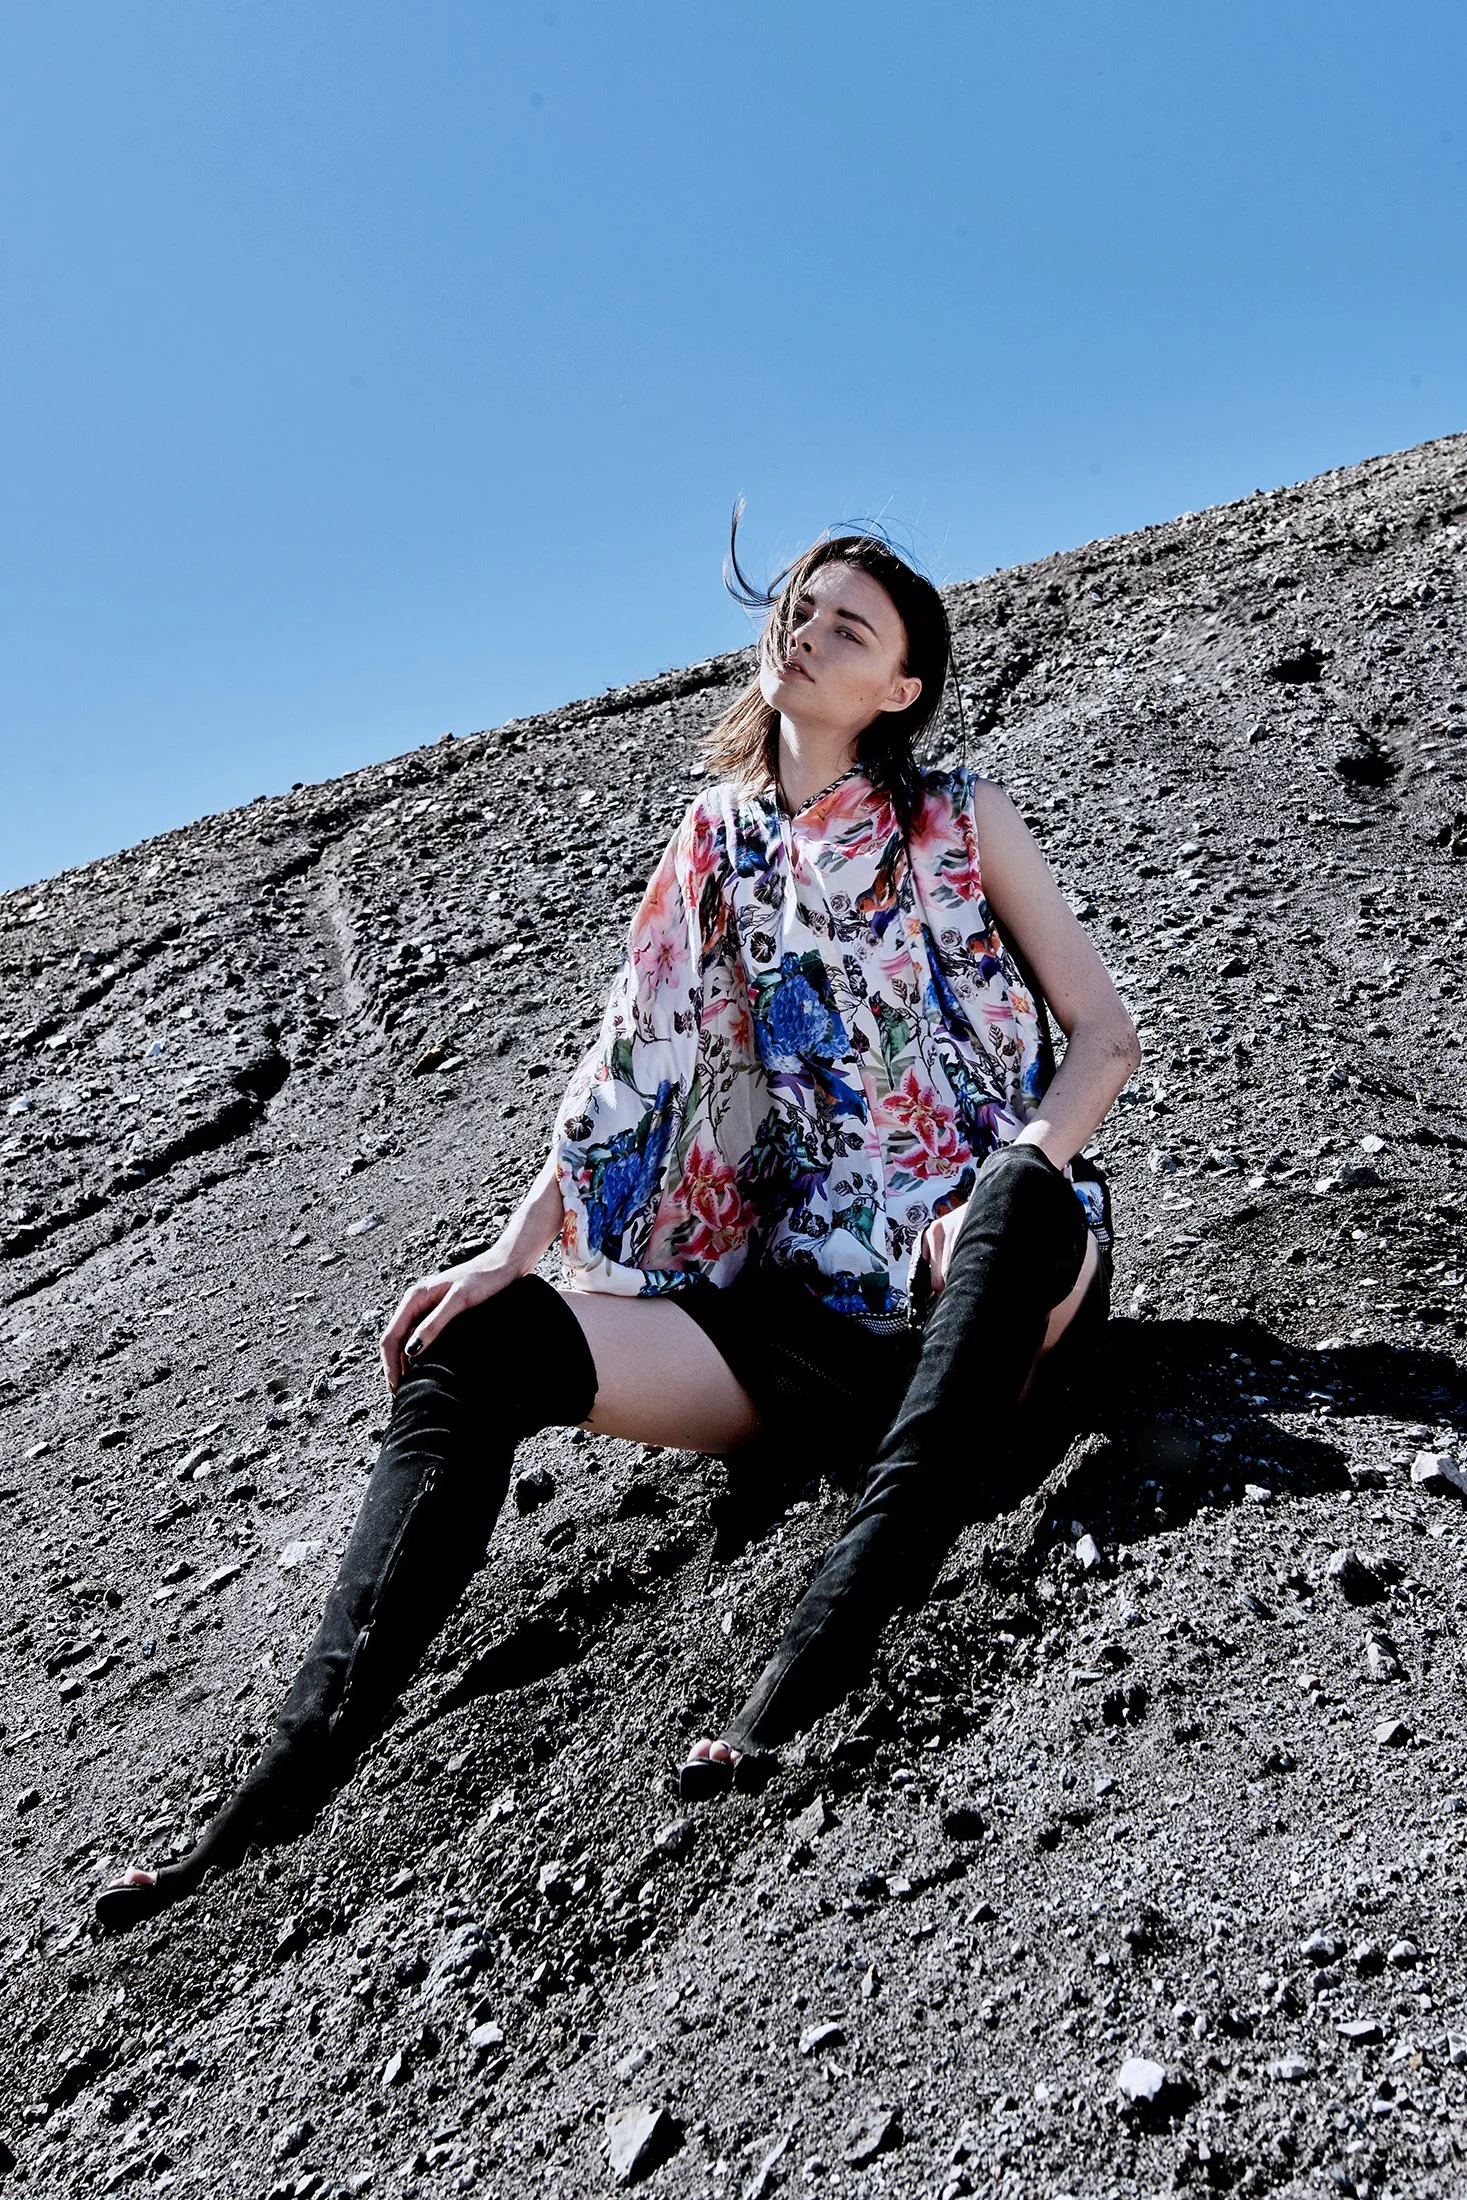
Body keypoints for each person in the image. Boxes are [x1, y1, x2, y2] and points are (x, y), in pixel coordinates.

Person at [96, 523, 1140, 1928]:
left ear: (899, 689)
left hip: (1004, 1282)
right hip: (817, 1329)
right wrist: (513, 1251)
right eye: (799, 610)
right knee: (479, 1352)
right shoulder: (713, 842)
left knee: (1016, 1194)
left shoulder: (957, 813)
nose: (806, 634)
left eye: (847, 628)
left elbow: (1103, 1040)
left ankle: (801, 1676)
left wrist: (1002, 1175)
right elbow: (633, 1071)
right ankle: (274, 1790)